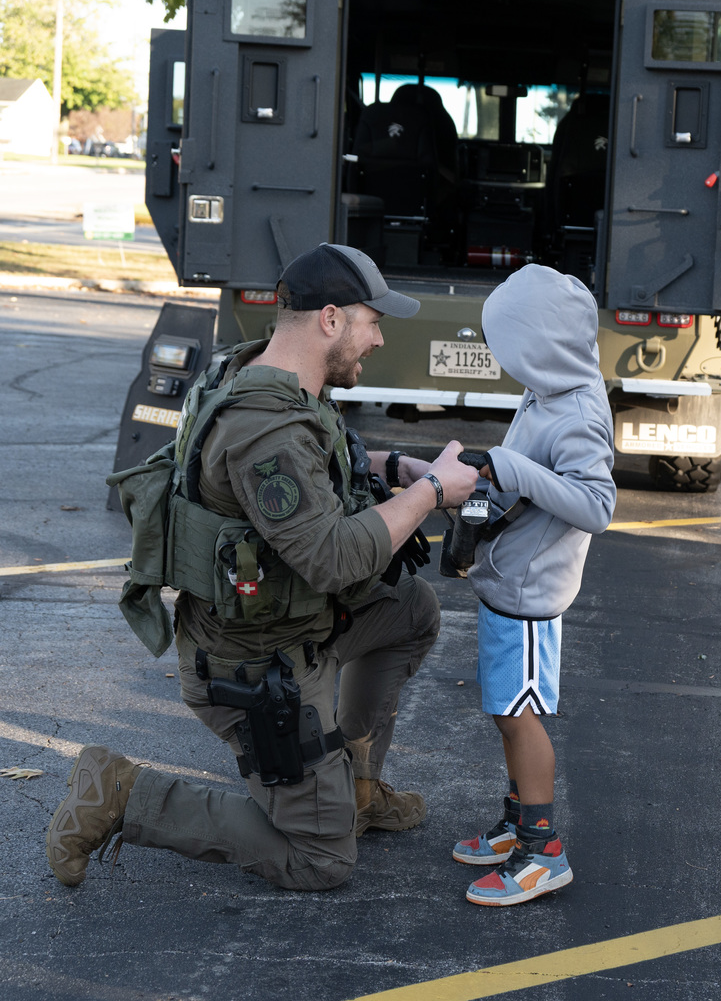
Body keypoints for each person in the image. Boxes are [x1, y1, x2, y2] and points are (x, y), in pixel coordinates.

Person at [46, 242, 479, 893]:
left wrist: (391, 468)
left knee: (409, 609)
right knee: (320, 860)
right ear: (330, 320)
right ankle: (121, 795)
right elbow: (330, 558)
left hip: (290, 622)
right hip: (254, 665)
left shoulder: (259, 370)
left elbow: (317, 455)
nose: (379, 339)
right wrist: (431, 493)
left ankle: (354, 789)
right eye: (373, 321)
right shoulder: (263, 424)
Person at [451, 264, 616, 906]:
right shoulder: (545, 392)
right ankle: (519, 821)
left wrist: (513, 468)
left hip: (529, 597)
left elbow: (597, 505)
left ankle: (543, 850)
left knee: (519, 716)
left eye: (511, 344)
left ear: (541, 344)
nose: (503, 358)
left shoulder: (576, 413)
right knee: (506, 711)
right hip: (507, 584)